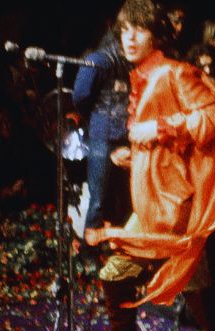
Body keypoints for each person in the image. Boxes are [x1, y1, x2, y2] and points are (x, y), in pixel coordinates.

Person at [82, 0, 215, 331]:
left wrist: (158, 129)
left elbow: (214, 120)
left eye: (139, 30)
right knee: (192, 287)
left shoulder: (175, 73)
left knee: (175, 283)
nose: (129, 38)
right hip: (156, 203)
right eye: (124, 31)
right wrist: (135, 155)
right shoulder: (143, 76)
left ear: (156, 35)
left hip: (175, 207)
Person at [73, 28, 133, 239]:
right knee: (98, 198)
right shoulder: (99, 60)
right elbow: (80, 95)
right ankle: (88, 249)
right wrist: (93, 117)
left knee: (122, 196)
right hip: (102, 136)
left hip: (124, 135)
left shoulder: (130, 62)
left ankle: (115, 245)